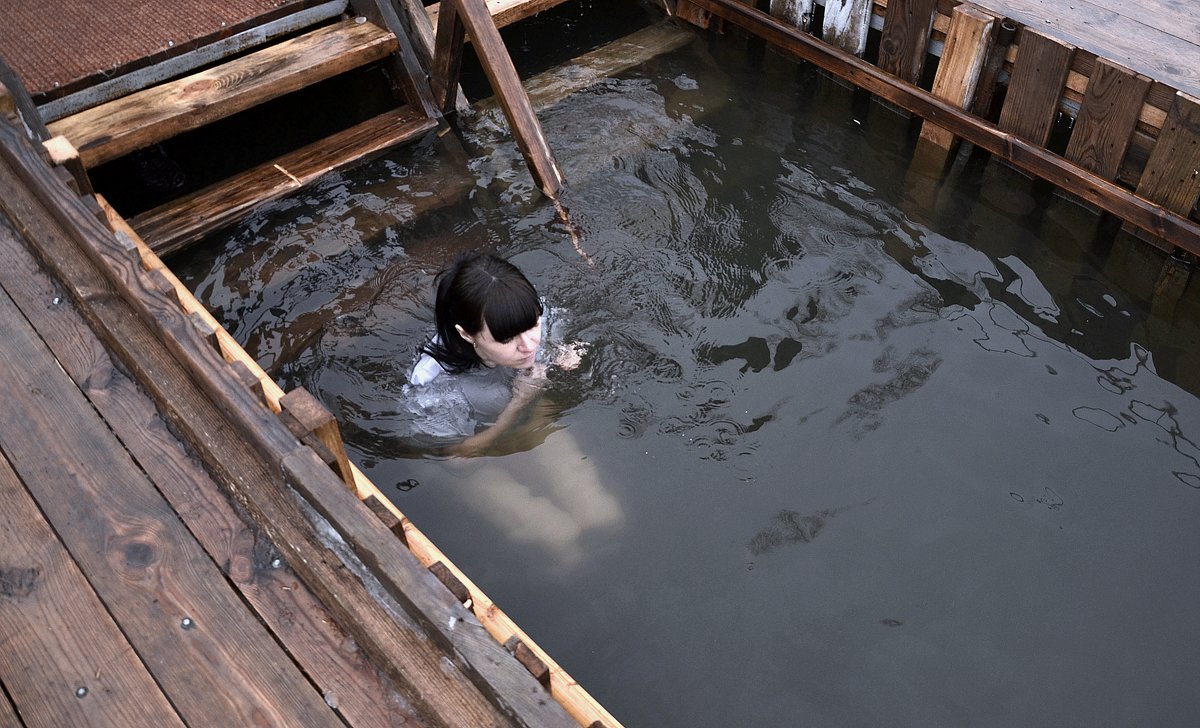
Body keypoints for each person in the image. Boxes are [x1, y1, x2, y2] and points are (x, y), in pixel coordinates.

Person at [405, 251, 620, 566]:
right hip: (471, 456)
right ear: (467, 334)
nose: (529, 345)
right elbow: (455, 460)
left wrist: (567, 353)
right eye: (507, 339)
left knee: (601, 511)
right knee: (557, 535)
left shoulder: (532, 316)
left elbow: (559, 340)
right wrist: (518, 403)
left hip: (523, 419)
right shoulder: (435, 387)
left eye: (531, 325)